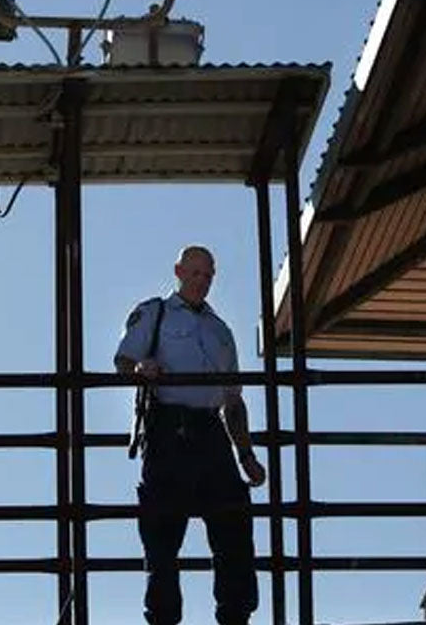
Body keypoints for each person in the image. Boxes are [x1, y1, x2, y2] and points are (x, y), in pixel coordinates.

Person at [114, 245, 267, 625]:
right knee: (162, 537)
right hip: (167, 428)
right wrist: (140, 371)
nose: (202, 281)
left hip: (210, 432)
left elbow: (233, 401)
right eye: (195, 273)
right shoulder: (156, 312)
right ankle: (163, 619)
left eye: (208, 275)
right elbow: (123, 361)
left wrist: (246, 456)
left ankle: (235, 617)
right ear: (179, 272)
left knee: (233, 526)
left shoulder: (220, 331)